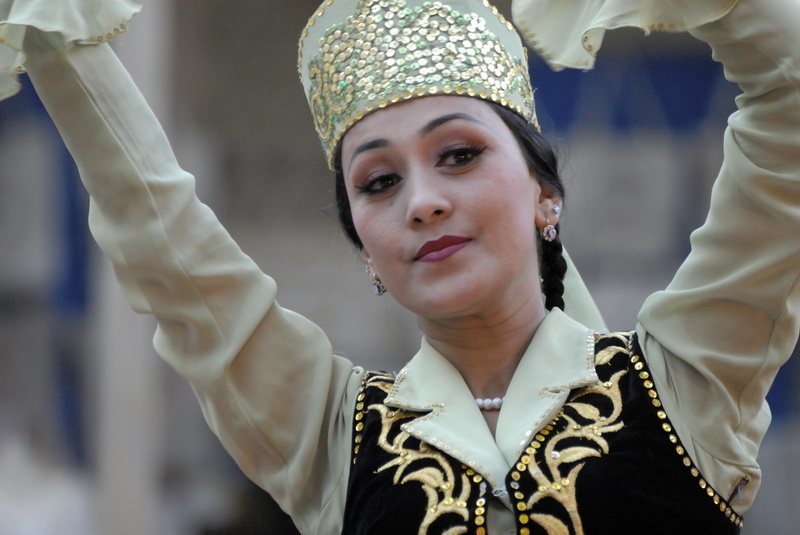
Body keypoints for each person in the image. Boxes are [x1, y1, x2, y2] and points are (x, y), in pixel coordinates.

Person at [2, 0, 798, 533]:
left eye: (459, 154)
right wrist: (55, 32)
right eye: (378, 182)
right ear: (367, 250)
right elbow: (161, 232)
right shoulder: (329, 431)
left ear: (545, 195)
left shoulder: (684, 382)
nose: (423, 201)